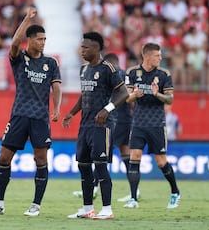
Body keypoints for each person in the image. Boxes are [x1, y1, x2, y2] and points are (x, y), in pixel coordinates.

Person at [0, 7, 62, 217]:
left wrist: (57, 108)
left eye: (45, 39)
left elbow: (56, 86)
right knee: (4, 157)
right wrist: (25, 20)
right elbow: (14, 43)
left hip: (40, 118)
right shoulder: (19, 59)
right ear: (30, 40)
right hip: (19, 116)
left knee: (41, 160)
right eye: (39, 39)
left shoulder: (50, 63)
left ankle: (36, 205)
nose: (43, 42)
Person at [63, 32, 129, 220]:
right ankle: (87, 208)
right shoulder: (84, 69)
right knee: (84, 166)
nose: (82, 50)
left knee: (100, 167)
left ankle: (107, 209)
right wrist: (72, 113)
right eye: (81, 47)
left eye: (86, 47)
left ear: (97, 48)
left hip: (102, 125)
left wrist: (107, 109)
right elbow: (85, 94)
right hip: (85, 125)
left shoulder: (108, 68)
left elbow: (123, 93)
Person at [71, 53, 140, 202]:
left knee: (100, 155)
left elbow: (124, 96)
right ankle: (134, 192)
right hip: (124, 120)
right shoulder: (124, 74)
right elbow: (130, 99)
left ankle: (100, 190)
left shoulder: (112, 73)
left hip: (113, 120)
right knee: (121, 155)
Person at [123, 42, 181, 209]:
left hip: (157, 123)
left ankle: (175, 192)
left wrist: (158, 94)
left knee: (161, 161)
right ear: (147, 56)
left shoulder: (164, 74)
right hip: (138, 123)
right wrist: (134, 94)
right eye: (157, 56)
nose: (160, 58)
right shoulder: (132, 72)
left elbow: (170, 99)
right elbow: (126, 98)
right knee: (134, 157)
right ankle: (133, 198)